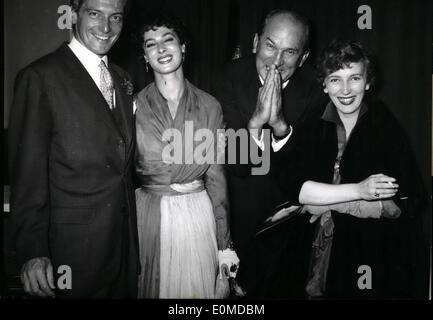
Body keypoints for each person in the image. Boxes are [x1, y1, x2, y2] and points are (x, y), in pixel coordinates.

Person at [276, 40, 428, 299]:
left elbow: (406, 200)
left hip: (372, 248)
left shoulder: (385, 125)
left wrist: (330, 202)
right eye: (335, 80)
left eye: (355, 78)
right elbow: (296, 190)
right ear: (324, 85)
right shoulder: (311, 122)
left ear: (368, 82)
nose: (345, 90)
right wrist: (359, 190)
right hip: (312, 245)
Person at [8, 0, 139, 298]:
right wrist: (32, 251)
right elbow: (27, 174)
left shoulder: (122, 79)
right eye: (95, 14)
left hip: (124, 252)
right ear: (73, 14)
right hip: (71, 256)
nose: (106, 28)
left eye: (115, 16)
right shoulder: (40, 77)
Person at [212, 9, 327, 298]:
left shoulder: (317, 91)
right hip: (240, 225)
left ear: (303, 58)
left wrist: (279, 126)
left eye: (290, 52)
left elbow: (305, 173)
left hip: (290, 231)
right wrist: (254, 124)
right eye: (270, 45)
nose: (276, 61)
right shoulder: (228, 79)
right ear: (255, 42)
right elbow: (236, 167)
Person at [134, 15, 239, 299]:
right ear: (145, 55)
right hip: (148, 217)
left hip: (197, 216)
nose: (161, 49)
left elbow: (216, 177)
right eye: (151, 44)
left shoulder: (209, 106)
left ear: (183, 47)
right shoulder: (133, 106)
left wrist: (224, 243)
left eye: (168, 40)